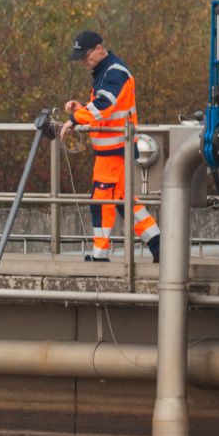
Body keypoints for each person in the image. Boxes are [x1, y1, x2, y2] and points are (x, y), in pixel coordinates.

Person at [61, 30, 161, 262]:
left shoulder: (114, 72)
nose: (84, 63)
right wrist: (81, 107)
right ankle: (159, 245)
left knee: (102, 202)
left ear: (99, 48)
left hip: (115, 152)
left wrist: (75, 119)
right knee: (126, 204)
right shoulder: (106, 71)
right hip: (115, 150)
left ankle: (100, 255)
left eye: (85, 57)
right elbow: (105, 108)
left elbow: (105, 104)